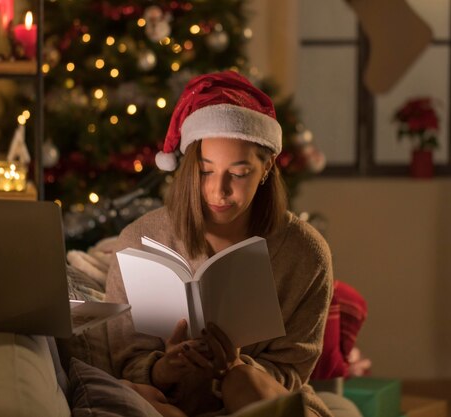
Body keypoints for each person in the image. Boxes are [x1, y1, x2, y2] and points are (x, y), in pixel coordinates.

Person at [103, 71, 334, 417]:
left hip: (259, 404)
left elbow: (292, 372)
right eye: (205, 171)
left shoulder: (305, 254)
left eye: (238, 174)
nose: (218, 190)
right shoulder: (139, 241)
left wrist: (234, 367)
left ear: (267, 166)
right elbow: (124, 362)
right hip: (169, 402)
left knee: (243, 382)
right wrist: (166, 367)